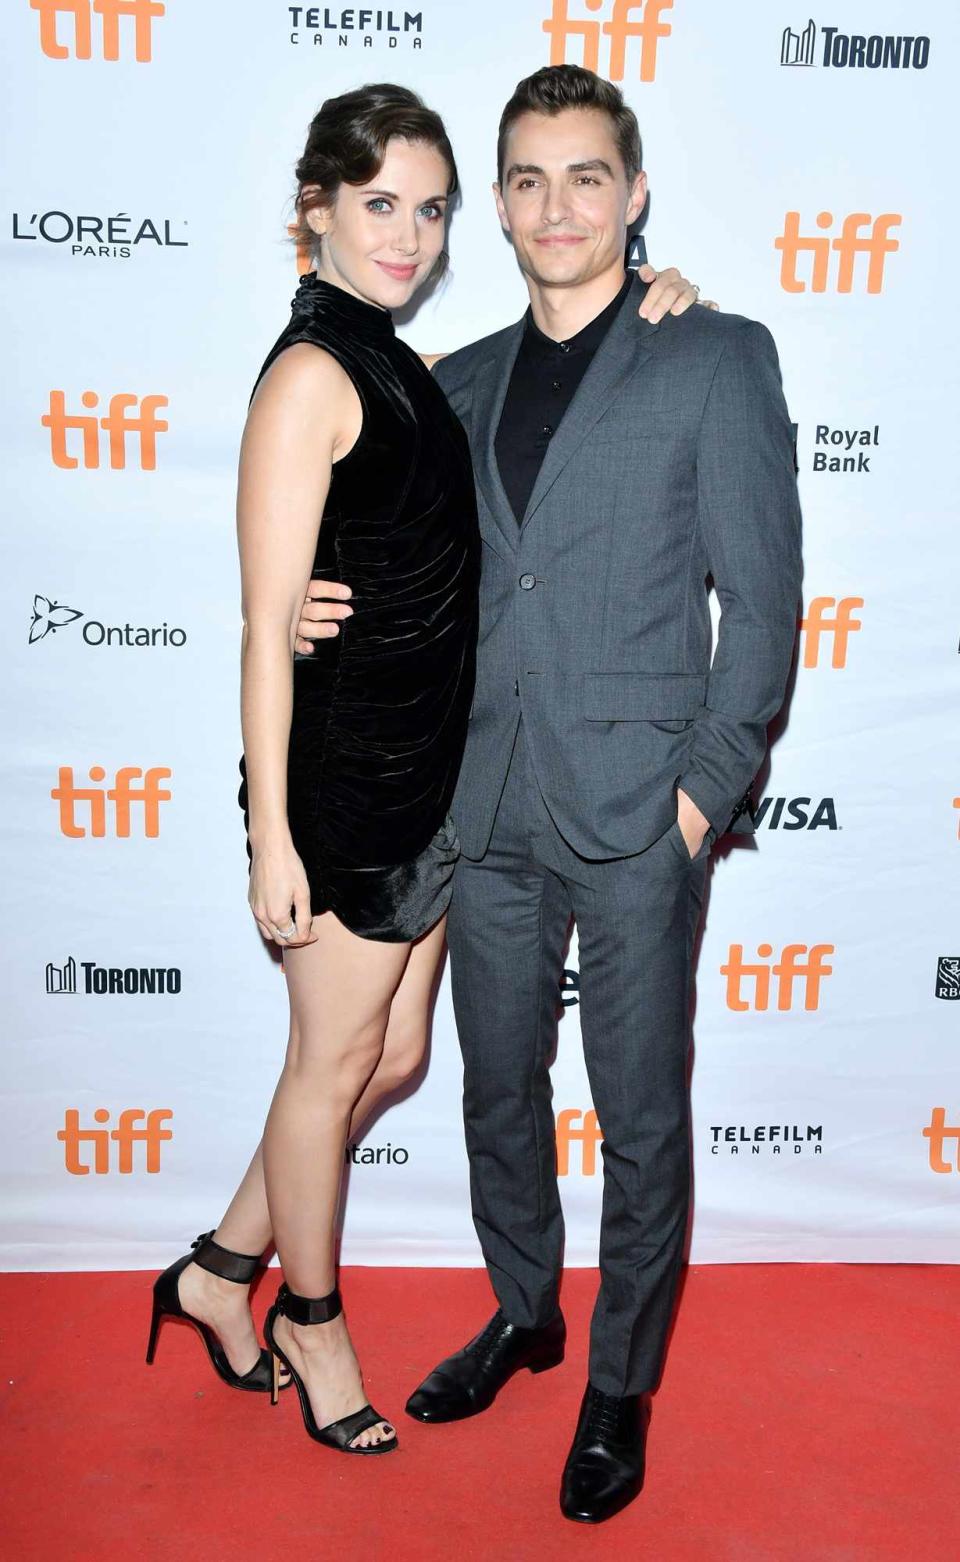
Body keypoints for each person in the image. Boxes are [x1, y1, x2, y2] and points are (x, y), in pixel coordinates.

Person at [146, 81, 701, 1459]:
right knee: (331, 1063)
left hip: (434, 788)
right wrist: (273, 833)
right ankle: (305, 1316)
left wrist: (654, 299)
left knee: (387, 1057)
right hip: (343, 795)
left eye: (433, 206)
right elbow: (266, 636)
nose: (409, 232)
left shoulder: (408, 362)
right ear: (314, 209)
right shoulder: (310, 373)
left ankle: (216, 1267)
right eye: (380, 202)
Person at [295, 64, 802, 1518]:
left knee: (640, 1115)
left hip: (644, 813)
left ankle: (620, 1383)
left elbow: (762, 609)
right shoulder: (447, 385)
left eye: (589, 174)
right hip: (489, 809)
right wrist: (300, 613)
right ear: (499, 211)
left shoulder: (717, 356)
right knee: (496, 1091)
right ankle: (527, 1312)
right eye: (527, 178)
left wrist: (701, 800)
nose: (557, 202)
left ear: (634, 196)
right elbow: (405, 573)